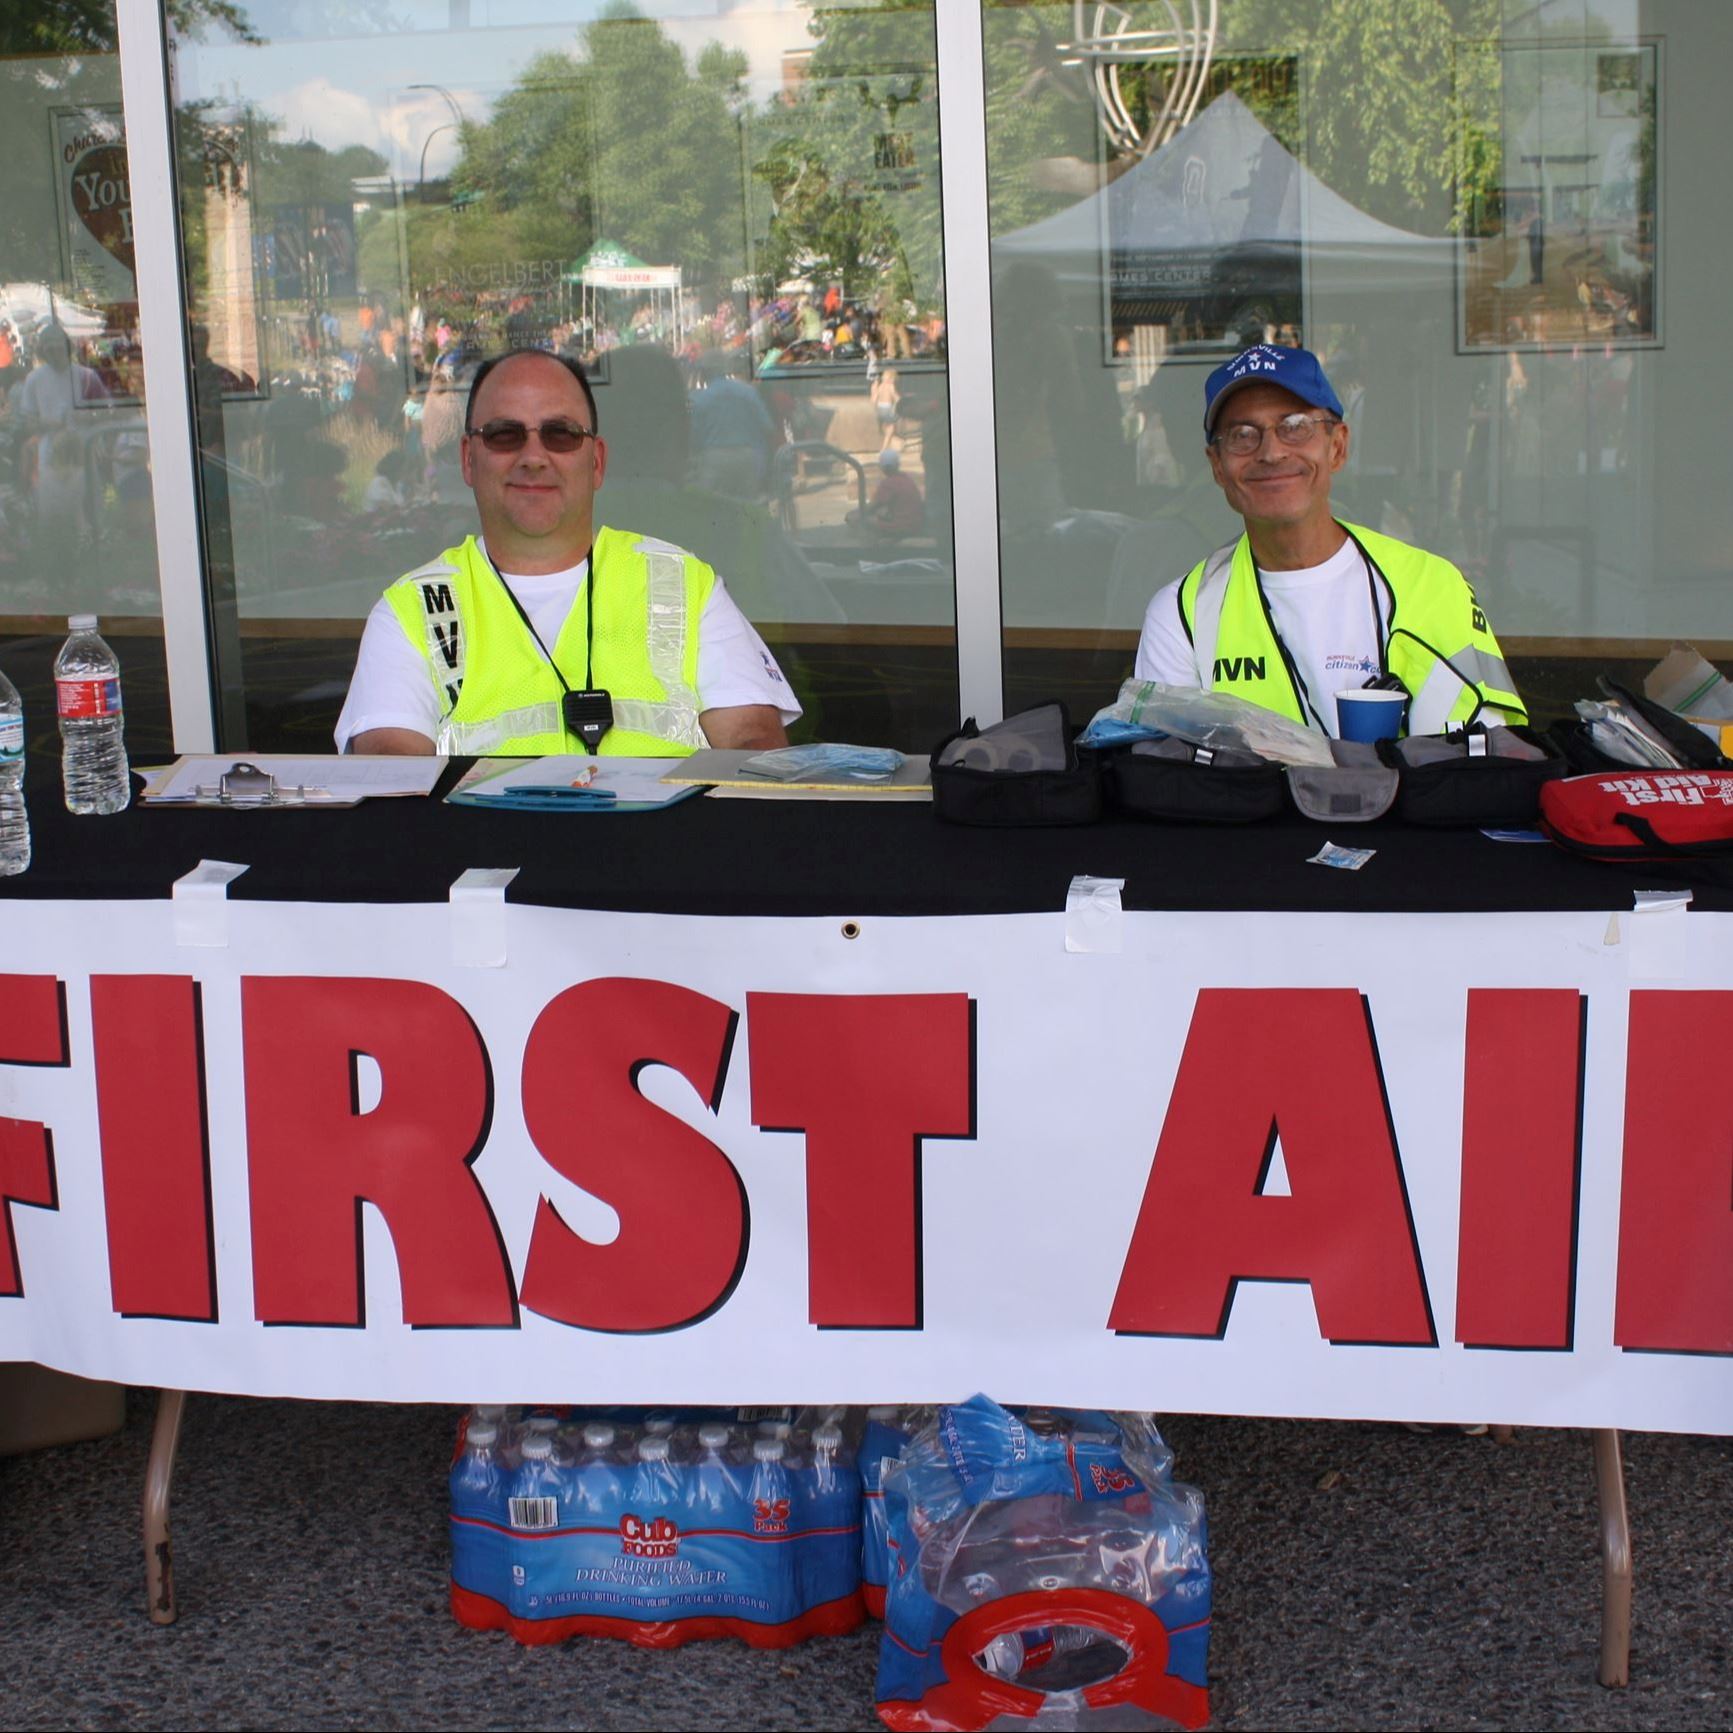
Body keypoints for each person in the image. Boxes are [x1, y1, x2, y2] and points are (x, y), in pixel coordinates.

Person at [336, 348, 797, 756]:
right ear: (467, 459)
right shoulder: (412, 610)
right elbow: (392, 777)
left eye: (560, 434)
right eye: (504, 434)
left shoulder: (683, 584)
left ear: (595, 461)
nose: (534, 456)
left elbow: (752, 743)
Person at [1134, 344, 1526, 737]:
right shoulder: (1181, 615)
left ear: (1337, 447)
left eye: (1295, 426)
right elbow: (1172, 782)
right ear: (1217, 466)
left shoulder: (1433, 587)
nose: (1271, 452)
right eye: (1242, 434)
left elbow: (1477, 771)